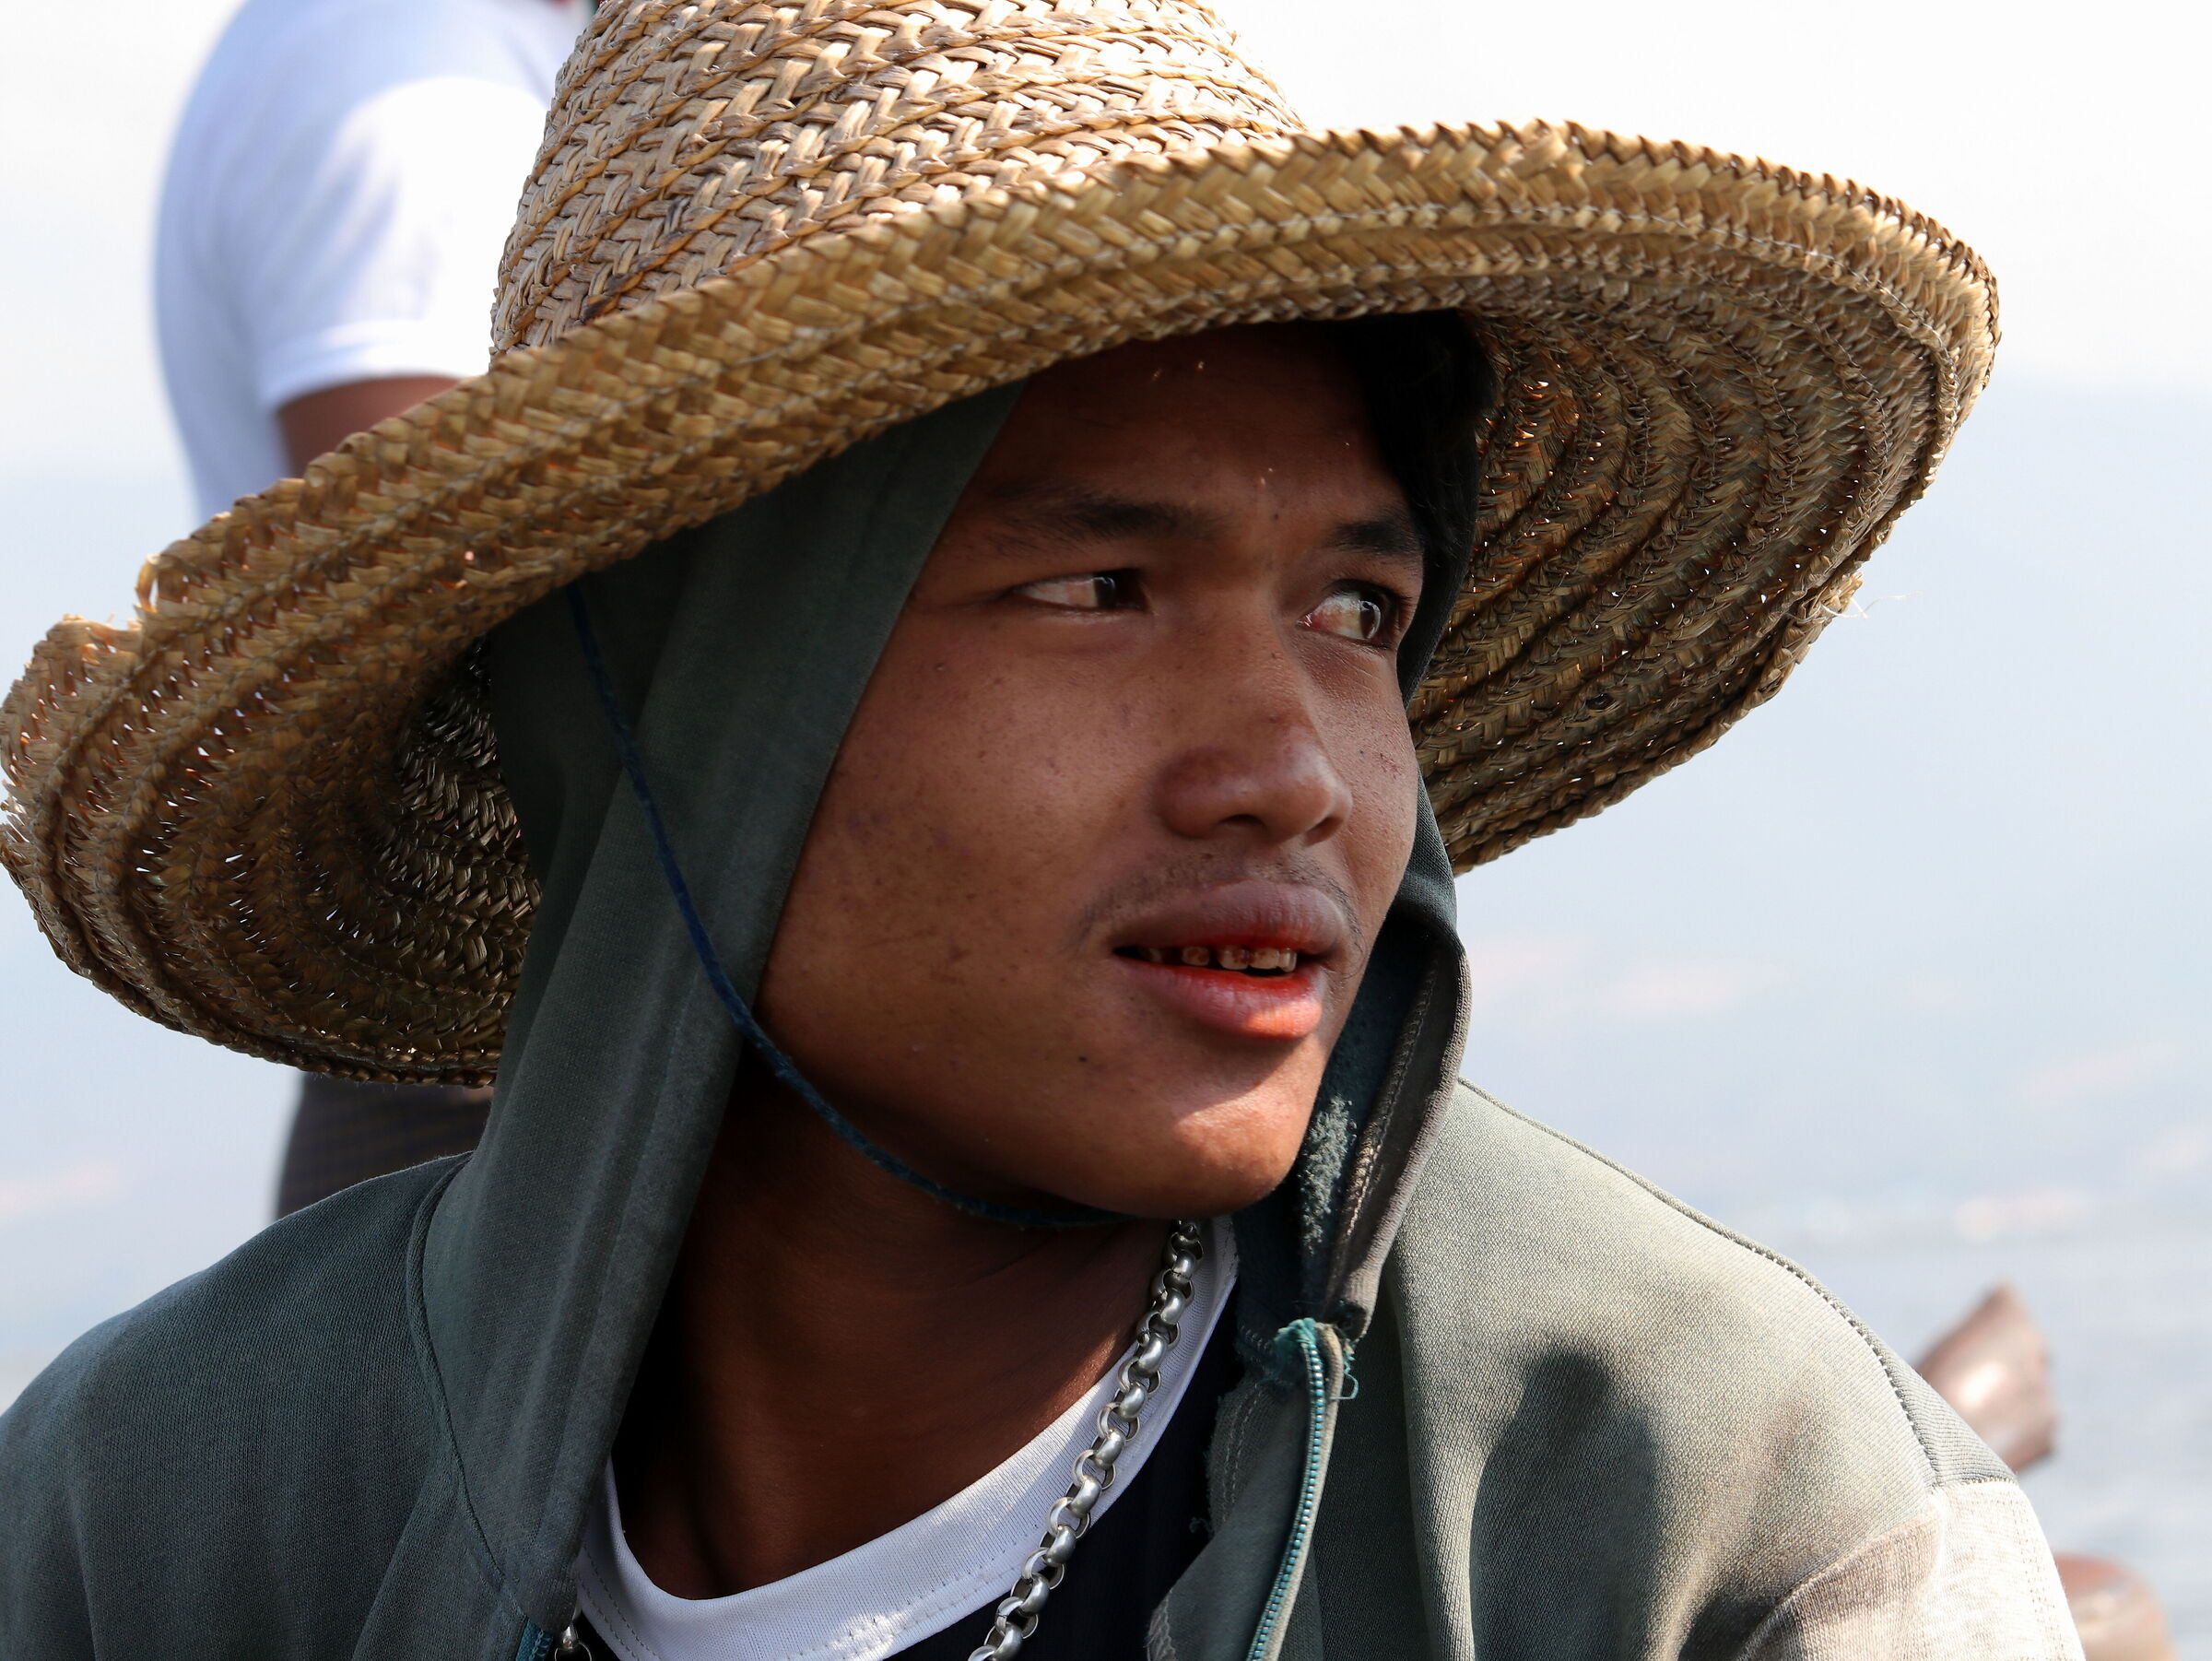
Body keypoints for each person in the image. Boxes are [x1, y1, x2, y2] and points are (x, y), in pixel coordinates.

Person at [0, 2, 2082, 1657]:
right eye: (1100, 590)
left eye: (1360, 611)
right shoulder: (159, 1517)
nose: (1295, 770)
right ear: (683, 704)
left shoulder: (1719, 1526)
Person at [155, 0, 584, 1214]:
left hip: (489, 1037)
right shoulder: (412, 78)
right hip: (499, 1062)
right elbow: (440, 607)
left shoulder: (401, 52)